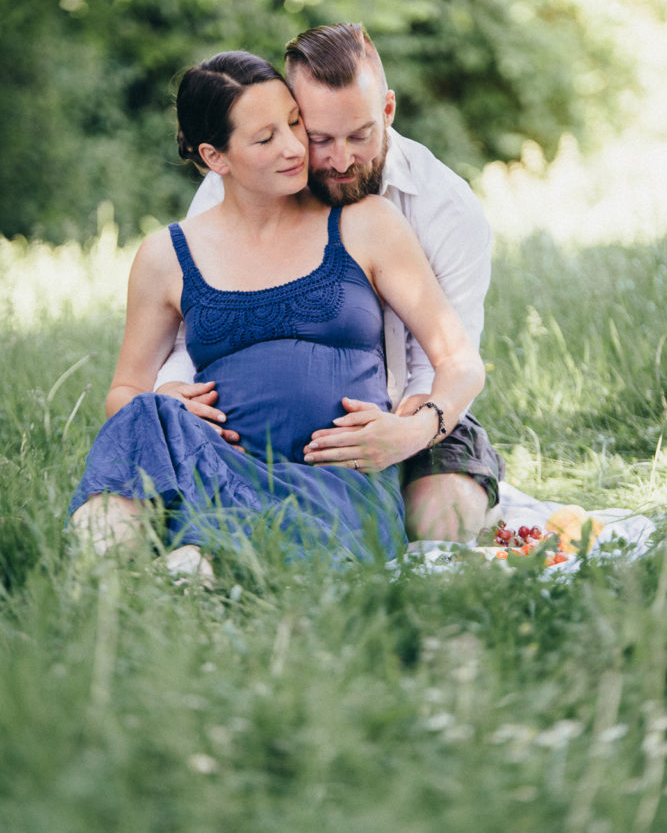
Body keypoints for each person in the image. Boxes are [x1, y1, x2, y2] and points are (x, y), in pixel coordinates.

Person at [69, 51, 484, 580]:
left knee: (230, 547)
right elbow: (123, 393)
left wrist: (412, 430)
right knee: (144, 420)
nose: (293, 149)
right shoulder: (165, 255)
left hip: (336, 476)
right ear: (216, 157)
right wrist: (163, 398)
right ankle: (105, 566)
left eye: (294, 124)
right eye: (265, 139)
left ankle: (197, 560)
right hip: (215, 464)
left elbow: (459, 359)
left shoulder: (366, 223)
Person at [156, 24, 504, 543]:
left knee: (435, 528)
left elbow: (447, 363)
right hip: (261, 427)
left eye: (360, 135)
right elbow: (198, 327)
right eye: (319, 138)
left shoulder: (446, 208)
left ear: (387, 111)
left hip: (422, 414)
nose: (340, 160)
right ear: (294, 118)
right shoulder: (241, 184)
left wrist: (403, 435)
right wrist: (173, 398)